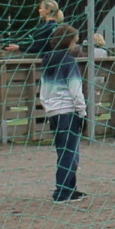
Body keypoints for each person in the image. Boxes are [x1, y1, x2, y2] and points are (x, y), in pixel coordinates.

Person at [41, 22, 87, 201]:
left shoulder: (47, 61)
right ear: (68, 42)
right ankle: (62, 191)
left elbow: (43, 91)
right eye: (74, 42)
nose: (75, 45)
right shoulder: (69, 62)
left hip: (53, 112)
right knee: (70, 152)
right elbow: (76, 90)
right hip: (68, 112)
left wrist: (48, 107)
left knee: (63, 151)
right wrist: (82, 112)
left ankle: (70, 187)